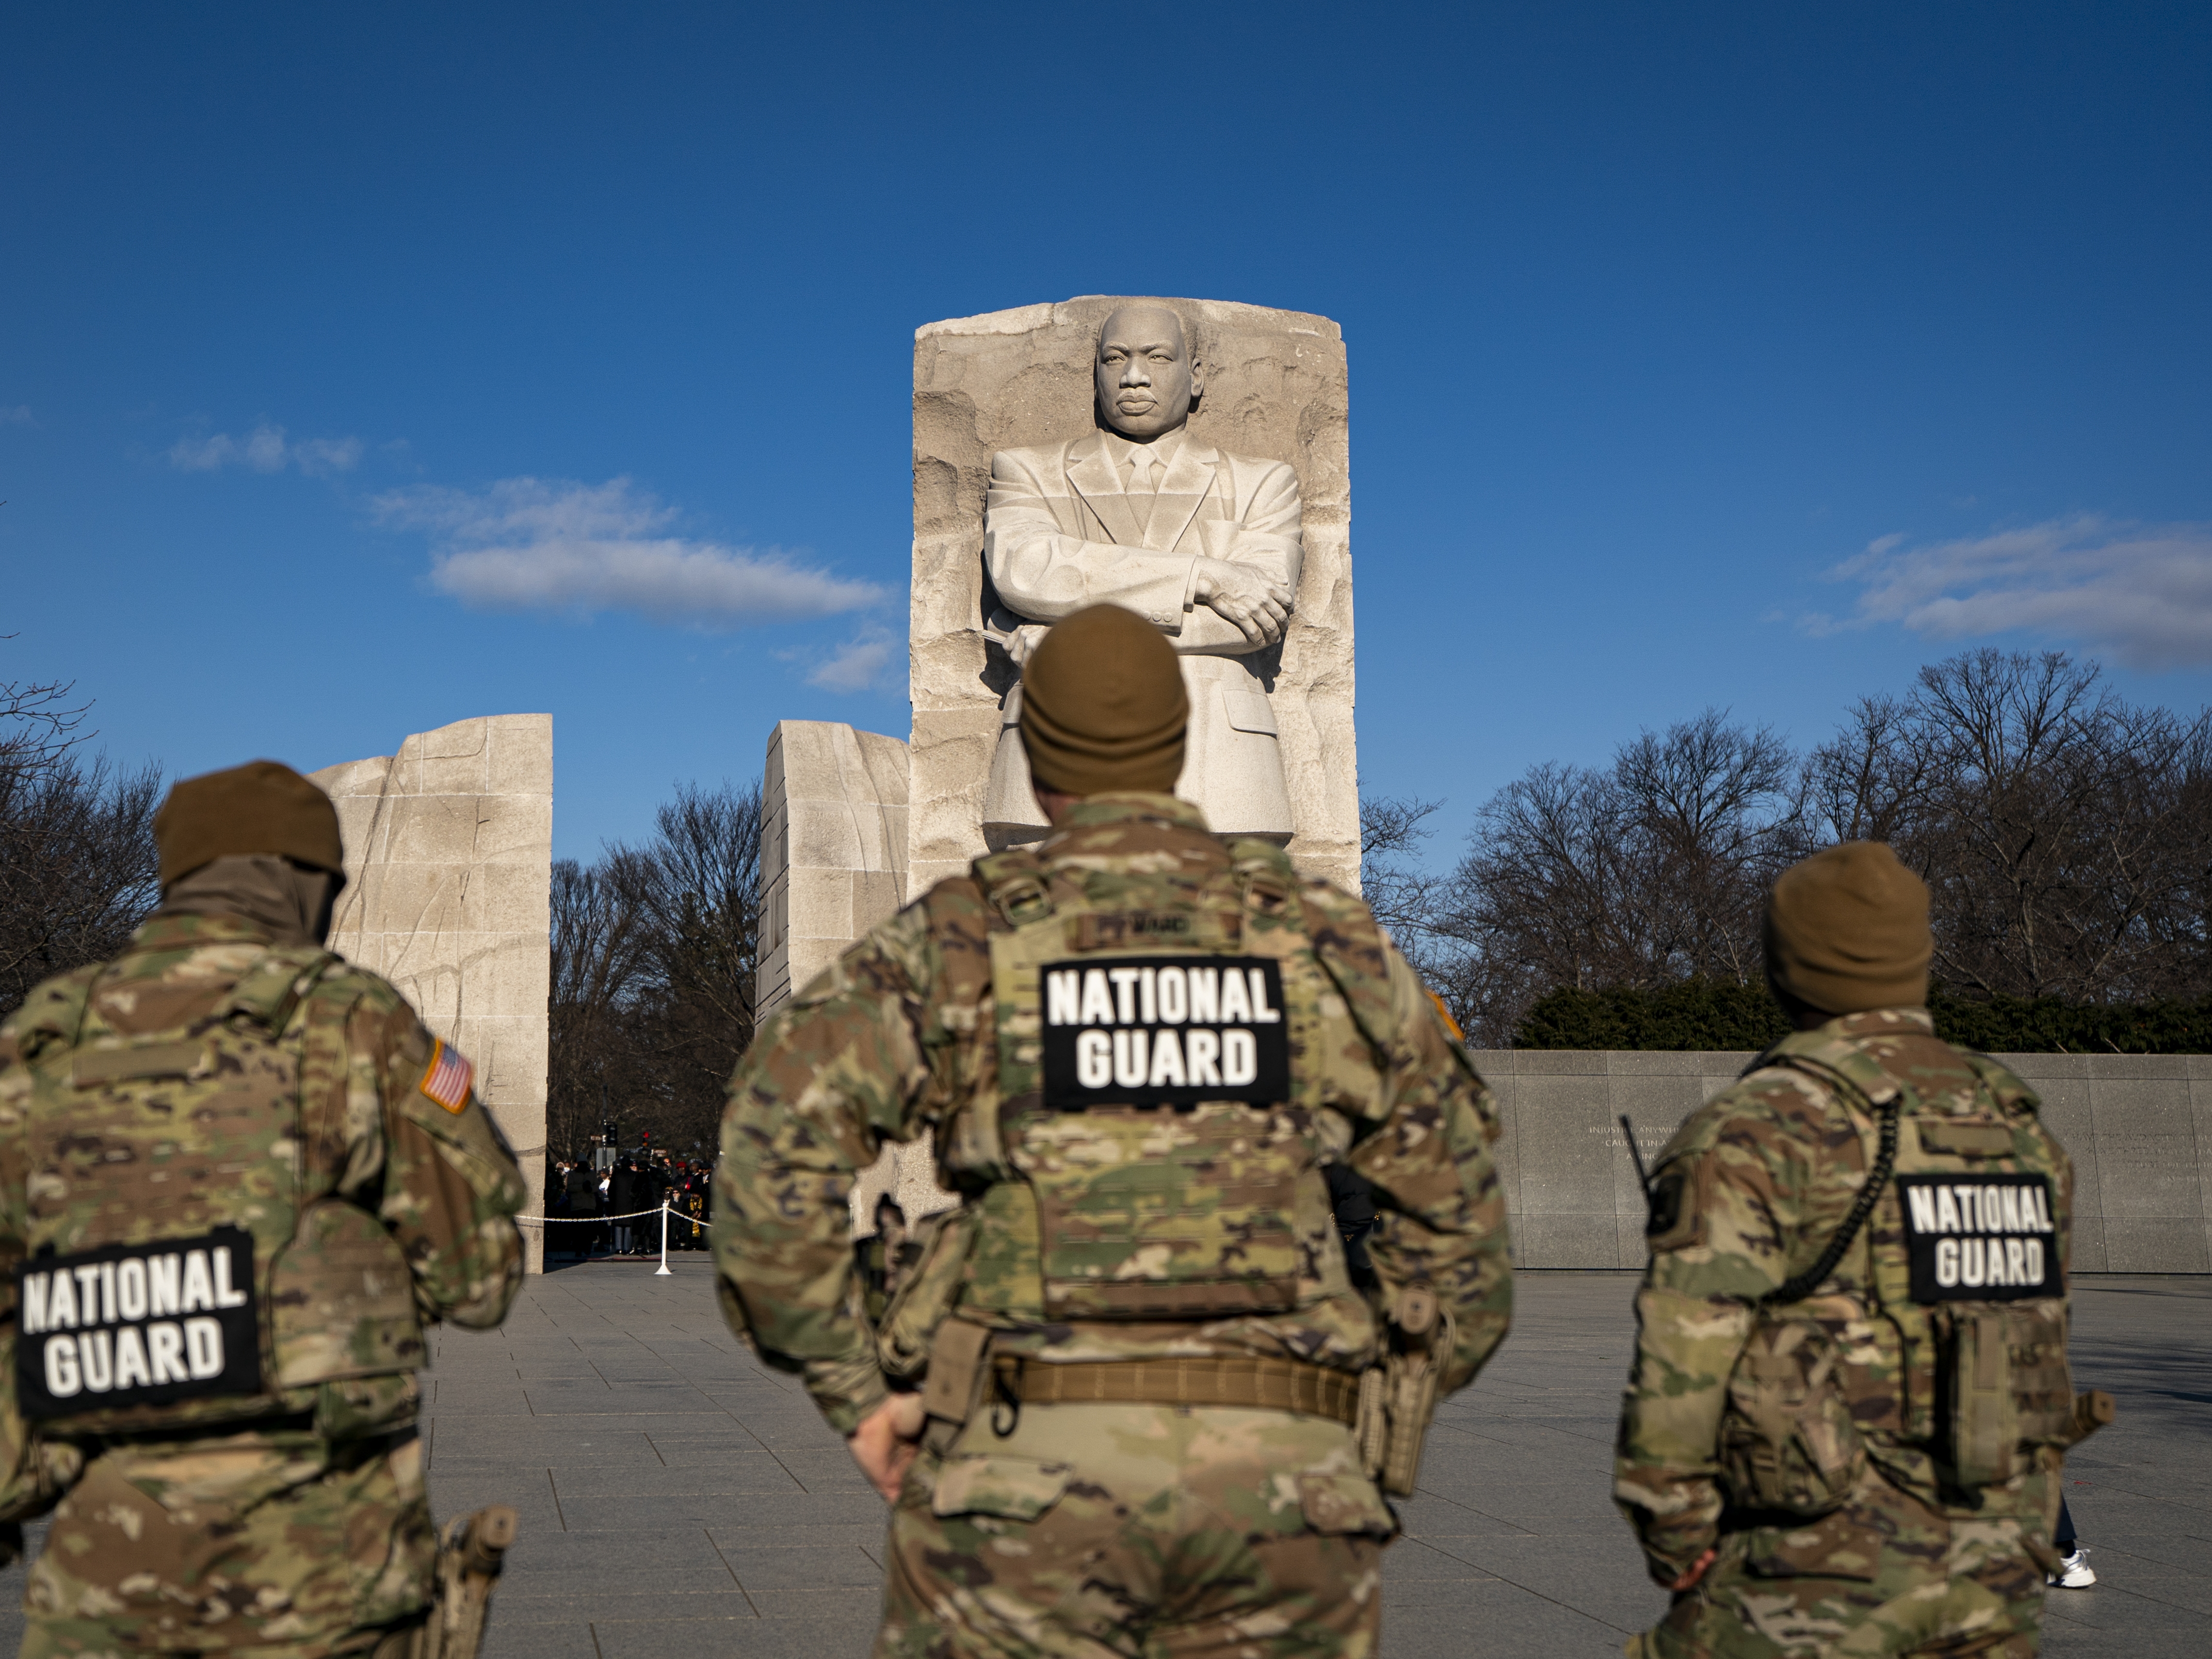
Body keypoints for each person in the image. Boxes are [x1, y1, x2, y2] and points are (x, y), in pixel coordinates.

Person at [714, 602, 1512, 1656]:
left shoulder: (965, 935)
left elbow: (768, 1151)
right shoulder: (1324, 941)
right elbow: (1462, 1232)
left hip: (1016, 1476)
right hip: (1285, 1491)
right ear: (1179, 746)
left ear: (1034, 755)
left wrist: (857, 1390)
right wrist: (1365, 1396)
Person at [0, 759, 527, 1659]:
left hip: (98, 1586)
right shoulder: (354, 1022)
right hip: (325, 1580)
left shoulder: (43, 1036)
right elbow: (481, 1277)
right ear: (308, 884)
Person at [1614, 841, 2102, 1658]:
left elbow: (1676, 1390)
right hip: (1987, 1585)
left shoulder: (1754, 1128)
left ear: (1785, 965)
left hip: (1806, 1588)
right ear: (1916, 957)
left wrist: (1679, 1545)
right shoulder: (2016, 1129)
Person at [979, 304, 1305, 839]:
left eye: (1157, 357)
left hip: (1220, 761)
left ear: (1196, 375)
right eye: (1115, 358)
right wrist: (1206, 575)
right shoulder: (1025, 471)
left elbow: (1254, 620)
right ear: (1096, 373)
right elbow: (1027, 571)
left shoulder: (1263, 483)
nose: (1133, 376)